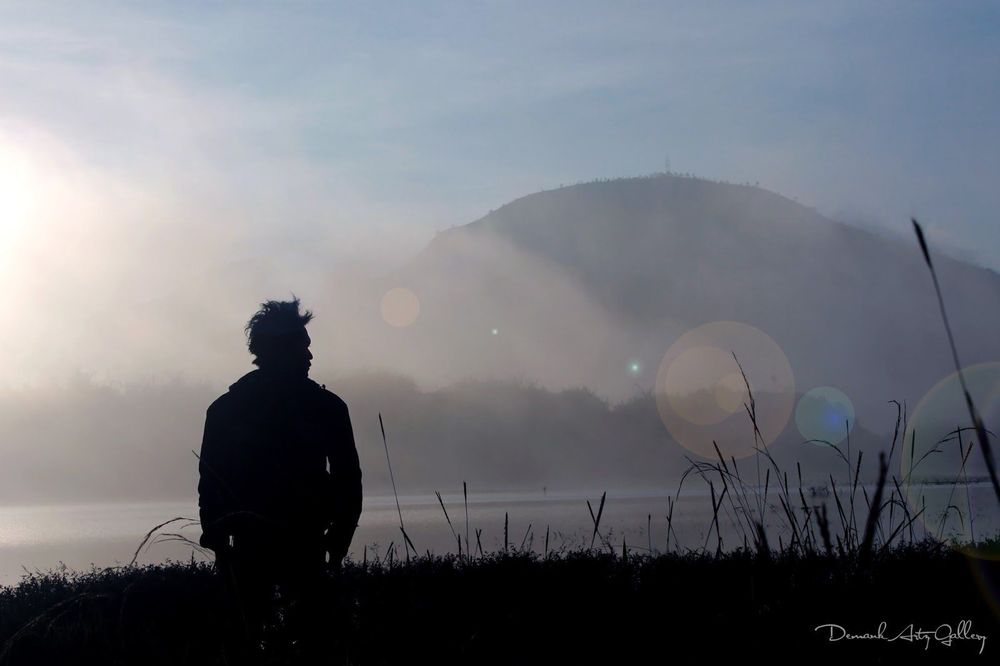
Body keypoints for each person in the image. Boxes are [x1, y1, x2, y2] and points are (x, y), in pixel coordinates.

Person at [196, 295, 362, 663]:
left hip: (293, 545)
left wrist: (339, 537)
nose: (309, 357)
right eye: (301, 347)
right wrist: (220, 541)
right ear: (278, 350)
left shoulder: (228, 409)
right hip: (268, 547)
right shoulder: (324, 408)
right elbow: (211, 482)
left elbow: (210, 483)